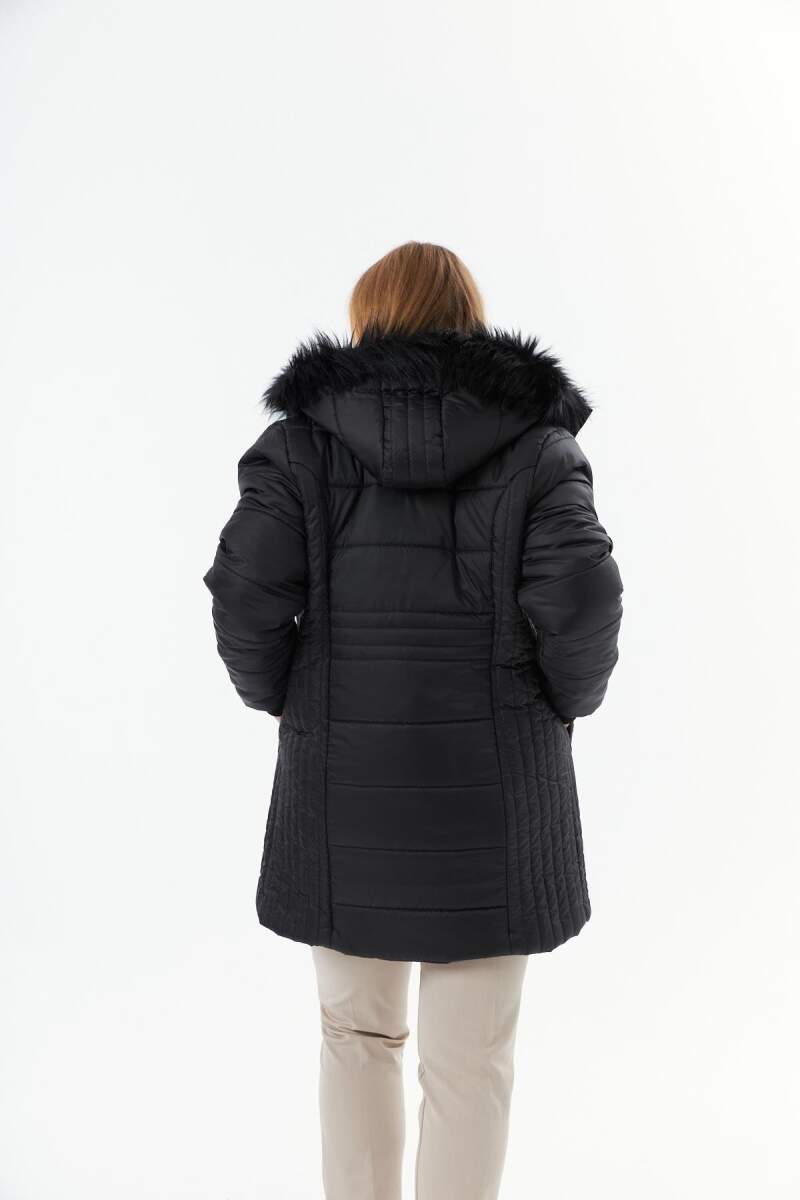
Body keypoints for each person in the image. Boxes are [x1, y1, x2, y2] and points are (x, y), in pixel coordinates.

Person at [203, 241, 623, 1200]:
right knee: (471, 1062)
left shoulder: (298, 447)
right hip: (497, 794)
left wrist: (287, 696)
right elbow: (583, 601)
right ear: (471, 319)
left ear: (365, 320)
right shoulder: (538, 449)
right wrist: (561, 703)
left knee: (356, 1036)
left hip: (340, 790)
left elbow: (243, 596)